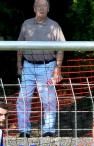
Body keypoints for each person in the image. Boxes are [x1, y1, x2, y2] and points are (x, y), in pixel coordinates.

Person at [16, 0, 66, 138]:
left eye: (44, 5)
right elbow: (19, 45)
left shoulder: (54, 26)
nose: (41, 8)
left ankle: (48, 130)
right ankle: (24, 130)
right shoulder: (26, 24)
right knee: (23, 98)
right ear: (33, 8)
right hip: (28, 66)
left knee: (49, 99)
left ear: (48, 9)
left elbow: (62, 48)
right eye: (38, 5)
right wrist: (19, 64)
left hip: (48, 66)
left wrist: (58, 69)